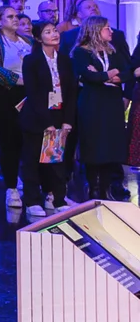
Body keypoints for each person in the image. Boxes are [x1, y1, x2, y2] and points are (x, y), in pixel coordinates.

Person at [20, 19, 76, 217]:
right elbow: (33, 94)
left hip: (60, 114)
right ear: (38, 37)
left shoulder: (65, 60)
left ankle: (58, 198)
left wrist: (68, 119)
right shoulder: (31, 60)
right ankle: (32, 200)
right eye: (47, 32)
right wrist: (47, 123)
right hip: (37, 118)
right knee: (33, 160)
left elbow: (71, 92)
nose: (54, 34)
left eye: (54, 30)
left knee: (58, 160)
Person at [72, 16, 130, 202]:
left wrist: (108, 76)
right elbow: (88, 76)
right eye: (107, 28)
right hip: (92, 102)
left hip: (112, 102)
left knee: (110, 145)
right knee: (93, 143)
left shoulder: (112, 51)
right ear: (95, 30)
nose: (111, 31)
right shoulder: (81, 53)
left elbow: (128, 72)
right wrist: (108, 74)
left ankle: (106, 188)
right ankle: (92, 186)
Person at [0, 4, 32, 218]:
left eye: (17, 16)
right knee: (9, 142)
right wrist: (20, 79)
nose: (15, 19)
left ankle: (33, 187)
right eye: (10, 16)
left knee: (30, 142)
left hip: (30, 96)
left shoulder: (28, 41)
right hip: (7, 95)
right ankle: (12, 188)